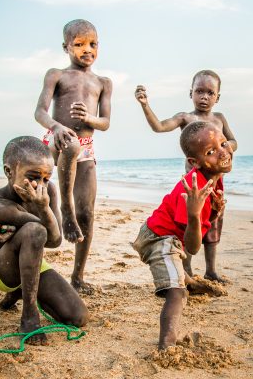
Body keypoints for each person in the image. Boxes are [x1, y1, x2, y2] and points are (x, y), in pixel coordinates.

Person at [132, 121, 232, 349]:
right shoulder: (193, 191)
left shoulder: (215, 177)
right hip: (157, 238)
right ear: (194, 162)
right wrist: (195, 214)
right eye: (211, 151)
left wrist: (213, 212)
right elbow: (192, 247)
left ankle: (189, 281)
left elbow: (202, 228)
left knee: (178, 269)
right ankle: (166, 346)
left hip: (171, 237)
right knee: (177, 294)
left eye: (224, 144)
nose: (223, 153)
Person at [0, 136, 89, 345]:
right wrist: (43, 211)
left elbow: (55, 240)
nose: (39, 186)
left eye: (46, 179)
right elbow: (47, 234)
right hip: (1, 268)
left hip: (32, 263)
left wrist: (43, 207)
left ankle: (18, 293)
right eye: (33, 177)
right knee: (35, 230)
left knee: (78, 317)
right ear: (9, 171)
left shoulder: (48, 193)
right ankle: (29, 317)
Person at [135, 70, 237, 283]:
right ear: (191, 93)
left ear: (217, 97)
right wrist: (145, 105)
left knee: (213, 224)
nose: (204, 97)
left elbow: (233, 142)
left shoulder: (219, 119)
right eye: (199, 91)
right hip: (194, 186)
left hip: (215, 181)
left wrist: (222, 148)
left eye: (210, 93)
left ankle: (211, 270)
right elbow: (159, 127)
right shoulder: (185, 118)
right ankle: (187, 268)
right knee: (190, 224)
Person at [35, 19, 112, 295]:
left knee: (88, 214)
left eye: (92, 44)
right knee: (70, 145)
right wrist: (56, 126)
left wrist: (89, 118)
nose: (86, 49)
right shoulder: (56, 75)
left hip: (86, 146)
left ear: (98, 46)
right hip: (56, 140)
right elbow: (40, 112)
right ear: (66, 47)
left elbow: (105, 122)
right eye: (79, 44)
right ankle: (65, 209)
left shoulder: (103, 82)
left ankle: (77, 276)